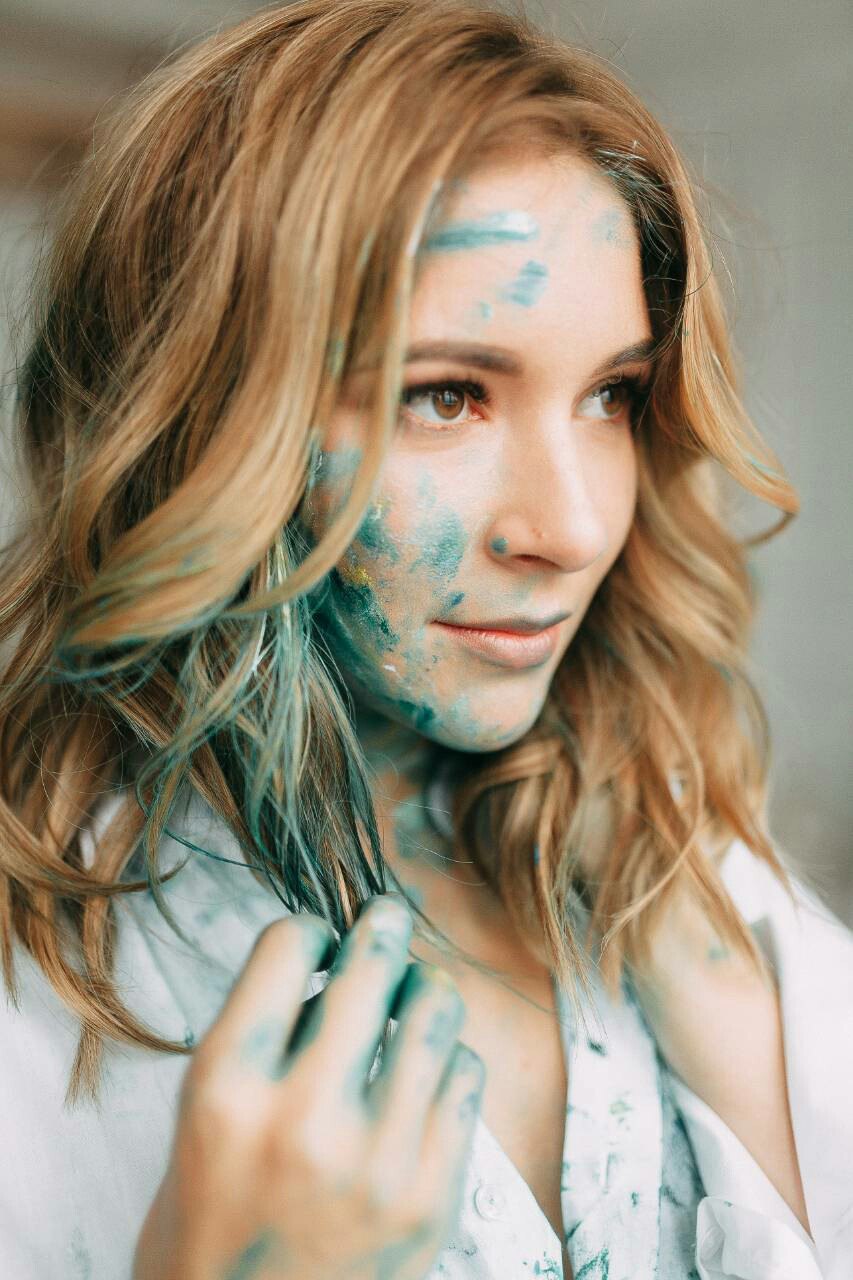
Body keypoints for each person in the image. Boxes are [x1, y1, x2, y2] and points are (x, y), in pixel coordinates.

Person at [0, 1, 850, 1277]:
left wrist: (737, 1018)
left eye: (611, 394)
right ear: (199, 418)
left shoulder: (678, 860)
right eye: (446, 394)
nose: (573, 528)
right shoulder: (34, 999)